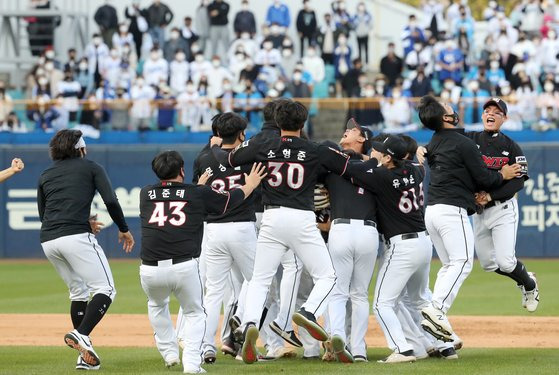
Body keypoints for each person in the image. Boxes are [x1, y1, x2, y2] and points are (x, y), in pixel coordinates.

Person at [209, 99, 350, 364]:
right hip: (302, 218)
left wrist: (215, 147)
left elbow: (229, 160)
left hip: (271, 216)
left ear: (277, 121)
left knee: (260, 279)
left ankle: (250, 322)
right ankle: (308, 313)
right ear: (303, 122)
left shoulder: (263, 144)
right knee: (328, 276)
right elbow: (345, 166)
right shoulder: (314, 149)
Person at [139, 150, 265, 373]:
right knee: (195, 313)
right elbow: (229, 201)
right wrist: (250, 185)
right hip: (183, 266)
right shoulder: (196, 192)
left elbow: (172, 195)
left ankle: (169, 354)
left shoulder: (145, 193)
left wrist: (199, 186)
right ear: (182, 170)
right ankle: (191, 364)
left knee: (157, 306)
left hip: (149, 268)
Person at [416, 95, 521, 343]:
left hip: (431, 212)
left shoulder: (434, 141)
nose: (452, 108)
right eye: (448, 107)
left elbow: (428, 151)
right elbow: (485, 179)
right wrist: (503, 173)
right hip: (452, 210)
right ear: (445, 117)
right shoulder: (463, 143)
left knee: (449, 266)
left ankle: (441, 329)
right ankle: (436, 309)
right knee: (463, 262)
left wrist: (418, 148)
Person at [37, 129, 134, 370]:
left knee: (78, 292)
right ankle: (80, 335)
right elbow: (110, 200)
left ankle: (84, 354)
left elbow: (44, 214)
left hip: (49, 240)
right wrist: (123, 228)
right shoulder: (91, 167)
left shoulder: (45, 174)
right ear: (80, 148)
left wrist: (82, 221)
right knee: (106, 289)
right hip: (75, 237)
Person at [342, 134, 432, 364]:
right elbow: (416, 162)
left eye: (381, 151)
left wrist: (370, 160)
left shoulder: (381, 175)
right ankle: (429, 345)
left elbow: (351, 172)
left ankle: (402, 348)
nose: (376, 152)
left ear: (390, 157)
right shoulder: (416, 171)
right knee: (420, 299)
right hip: (423, 243)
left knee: (383, 303)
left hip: (402, 246)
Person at [467, 98, 539, 312]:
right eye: (487, 110)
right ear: (482, 116)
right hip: (479, 212)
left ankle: (529, 284)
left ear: (505, 118)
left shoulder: (511, 146)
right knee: (488, 264)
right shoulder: (470, 139)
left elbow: (518, 181)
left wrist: (490, 196)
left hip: (503, 208)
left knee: (506, 262)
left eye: (497, 112)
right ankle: (525, 275)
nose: (490, 114)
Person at [323, 120, 377, 363]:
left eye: (353, 129)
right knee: (359, 295)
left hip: (341, 229)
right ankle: (359, 350)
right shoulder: (377, 167)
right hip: (368, 232)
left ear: (363, 138)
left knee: (337, 293)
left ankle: (337, 339)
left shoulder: (334, 166)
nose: (347, 129)